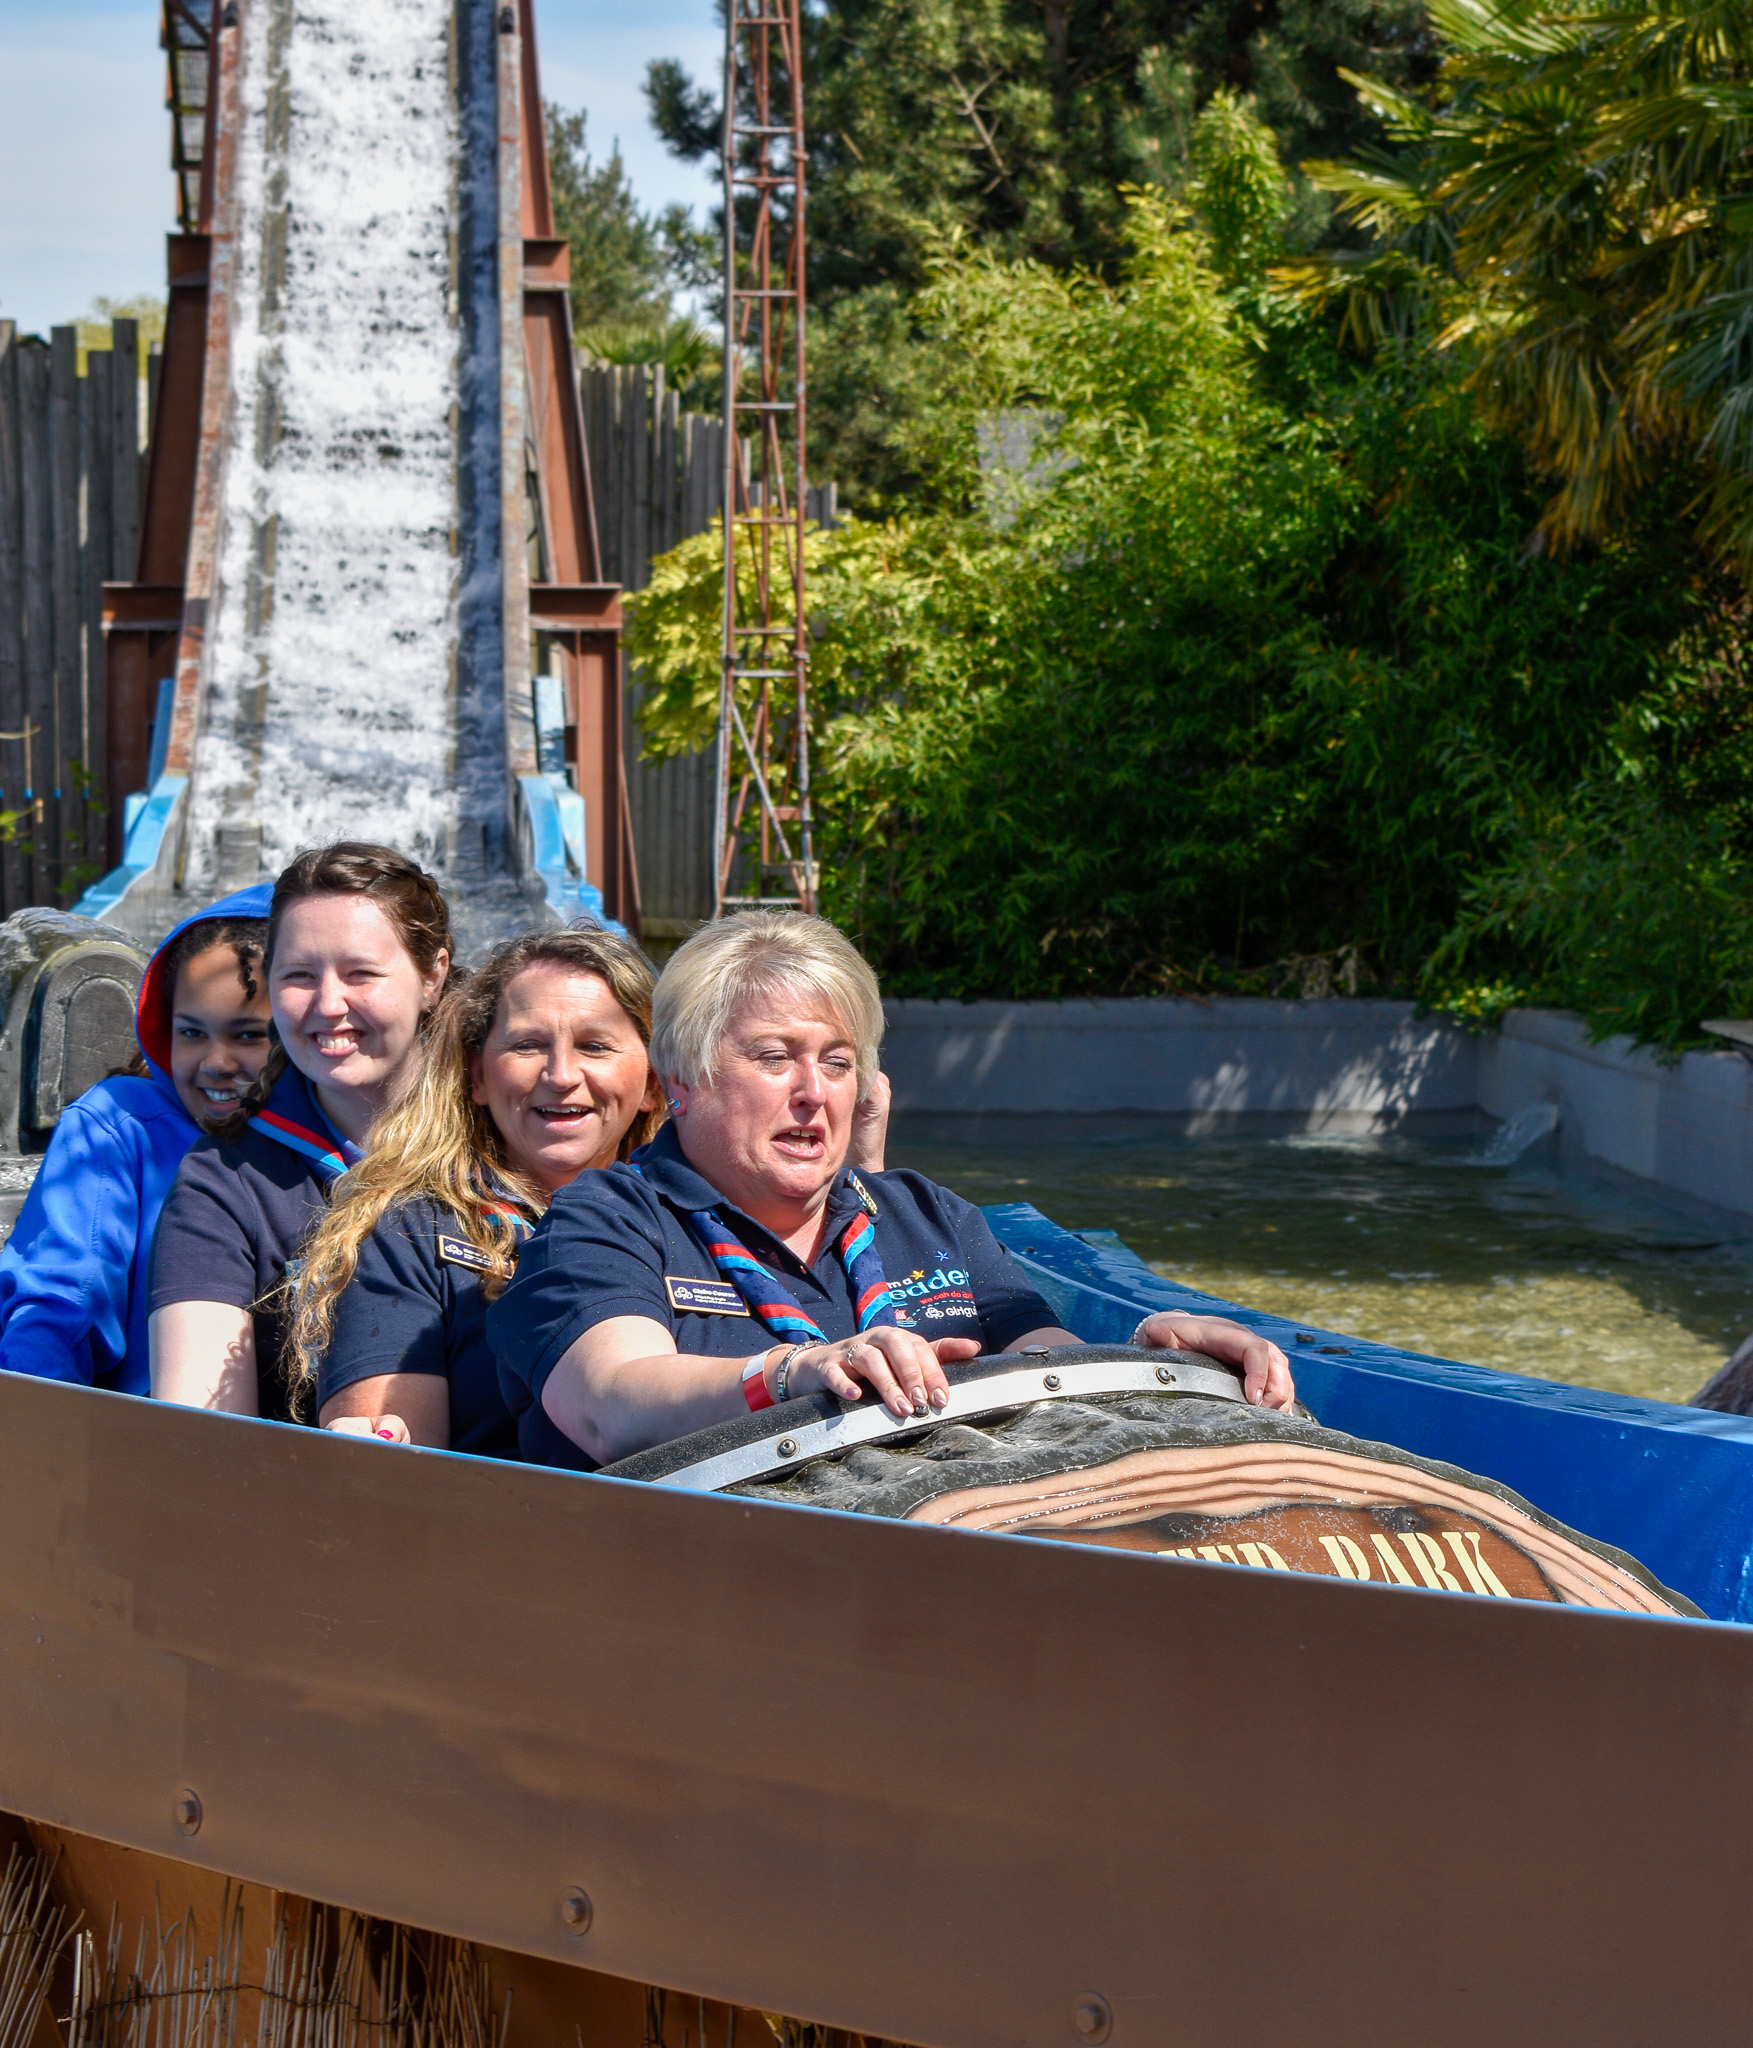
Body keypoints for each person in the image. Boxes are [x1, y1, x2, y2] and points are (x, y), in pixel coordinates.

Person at [489, 910, 1293, 1469]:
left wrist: (1152, 1359)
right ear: (683, 1082)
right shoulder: (604, 1217)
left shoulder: (922, 1212)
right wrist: (797, 1372)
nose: (814, 1093)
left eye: (836, 1064)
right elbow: (613, 1406)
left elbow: (1044, 1366)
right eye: (774, 1059)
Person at [287, 925, 664, 1460]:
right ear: (477, 1075)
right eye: (527, 1044)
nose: (560, 1075)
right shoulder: (409, 1235)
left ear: (653, 1082)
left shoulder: (698, 1227)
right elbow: (389, 1477)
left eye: (594, 1045)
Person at [149, 843, 454, 1421]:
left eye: (361, 972)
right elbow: (197, 1432)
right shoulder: (225, 1181)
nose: (328, 1004)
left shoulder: (504, 1134)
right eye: (299, 975)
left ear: (433, 975)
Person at [0, 888, 273, 1394]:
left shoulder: (331, 1141)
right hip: (151, 1433)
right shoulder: (121, 1122)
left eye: (249, 1035)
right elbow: (60, 1301)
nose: (216, 1062)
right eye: (191, 1033)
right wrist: (34, 1433)